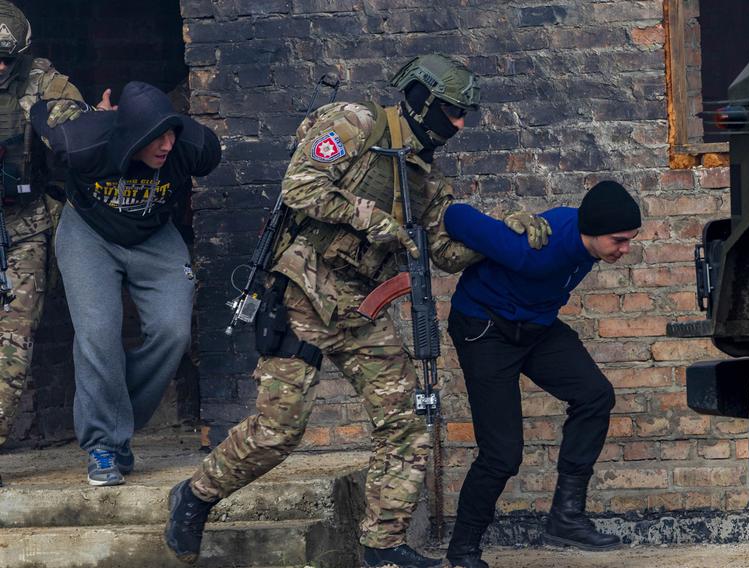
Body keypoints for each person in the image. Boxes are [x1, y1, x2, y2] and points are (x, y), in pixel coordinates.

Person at [163, 54, 549, 568]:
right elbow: (299, 186)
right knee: (280, 430)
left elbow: (447, 252)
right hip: (303, 295)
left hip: (360, 308)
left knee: (408, 422)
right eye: (453, 112)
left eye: (464, 115)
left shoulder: (423, 177)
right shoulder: (356, 123)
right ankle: (195, 496)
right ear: (423, 100)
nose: (459, 125)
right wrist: (370, 219)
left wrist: (509, 229)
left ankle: (382, 546)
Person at [441, 180, 642, 567]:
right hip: (485, 328)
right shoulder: (535, 249)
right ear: (593, 232)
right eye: (619, 240)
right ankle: (463, 549)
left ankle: (566, 517)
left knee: (594, 394)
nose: (625, 249)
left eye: (630, 239)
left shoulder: (590, 244)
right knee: (502, 454)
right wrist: (504, 224)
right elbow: (455, 216)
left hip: (535, 326)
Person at [31, 81, 221, 487]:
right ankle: (103, 444)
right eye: (155, 137)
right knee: (97, 334)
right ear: (129, 134)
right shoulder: (83, 141)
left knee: (173, 331)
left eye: (171, 133)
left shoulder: (192, 148)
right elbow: (39, 113)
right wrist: (91, 115)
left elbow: (202, 147)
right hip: (89, 234)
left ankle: (116, 421)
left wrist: (172, 129)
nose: (166, 145)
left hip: (154, 234)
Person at [0, 0, 87, 477]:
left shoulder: (43, 82)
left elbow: (75, 134)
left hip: (24, 226)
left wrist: (79, 127)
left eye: (4, 59)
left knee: (13, 339)